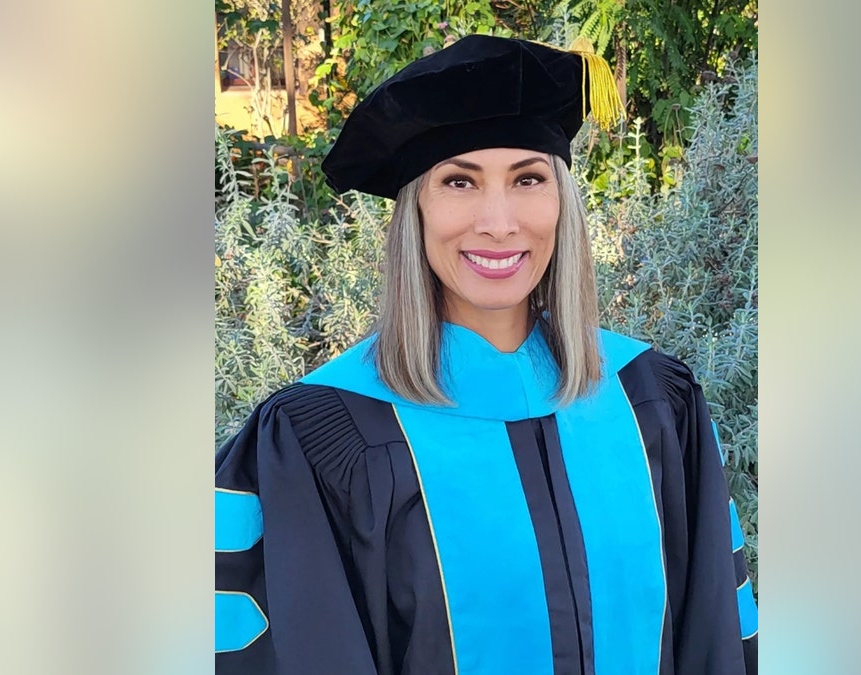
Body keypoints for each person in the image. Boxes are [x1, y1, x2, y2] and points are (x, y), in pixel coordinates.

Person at [215, 34, 758, 675]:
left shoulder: (653, 402)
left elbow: (719, 634)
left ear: (562, 202)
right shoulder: (321, 435)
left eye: (528, 178)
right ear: (416, 211)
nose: (499, 222)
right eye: (459, 182)